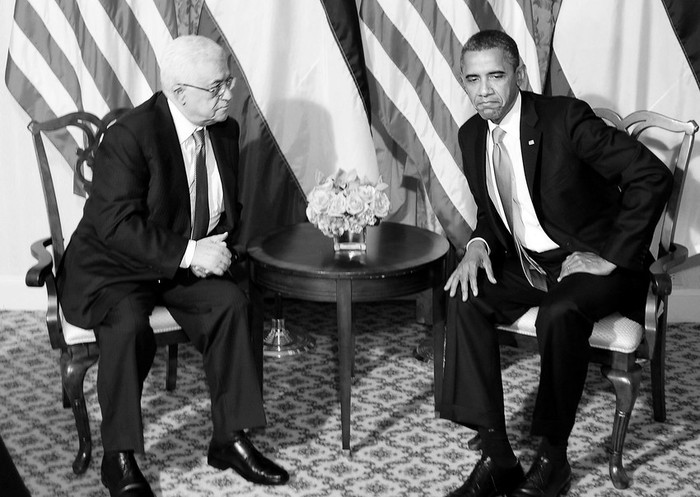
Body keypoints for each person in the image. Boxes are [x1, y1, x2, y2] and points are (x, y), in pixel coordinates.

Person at [440, 30, 672, 497]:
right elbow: (491, 213)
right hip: (529, 263)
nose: (484, 90)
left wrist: (609, 258)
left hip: (592, 262)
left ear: (519, 74)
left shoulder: (565, 118)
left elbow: (651, 174)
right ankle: (497, 455)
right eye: (473, 79)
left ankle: (553, 456)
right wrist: (479, 245)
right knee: (465, 297)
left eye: (496, 76)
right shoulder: (470, 136)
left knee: (560, 311)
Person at [57, 35, 289, 496]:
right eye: (218, 86)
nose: (229, 95)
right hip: (115, 267)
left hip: (177, 264)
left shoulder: (223, 128)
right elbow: (117, 225)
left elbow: (222, 206)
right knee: (127, 328)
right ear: (180, 94)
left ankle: (230, 439)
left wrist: (216, 251)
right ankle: (118, 458)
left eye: (229, 82)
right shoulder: (130, 136)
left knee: (230, 304)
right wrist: (189, 253)